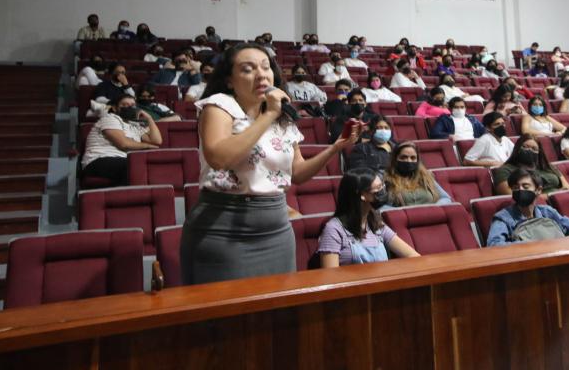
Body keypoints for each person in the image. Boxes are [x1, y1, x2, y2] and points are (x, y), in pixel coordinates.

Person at [180, 43, 360, 285]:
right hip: (224, 228)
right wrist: (268, 115)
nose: (261, 73)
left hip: (276, 228)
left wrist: (336, 147)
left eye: (266, 67)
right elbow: (219, 158)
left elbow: (297, 173)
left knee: (277, 315)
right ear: (230, 80)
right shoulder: (220, 105)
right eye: (248, 69)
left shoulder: (282, 119)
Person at [318, 170, 420, 267]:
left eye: (382, 186)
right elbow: (330, 277)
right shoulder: (333, 230)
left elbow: (412, 256)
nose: (383, 191)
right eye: (378, 188)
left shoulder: (376, 224)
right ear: (362, 195)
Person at [485, 168, 569, 246]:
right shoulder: (503, 217)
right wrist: (537, 243)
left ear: (538, 190)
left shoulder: (548, 212)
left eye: (525, 186)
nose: (520, 190)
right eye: (516, 187)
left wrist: (563, 241)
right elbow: (494, 245)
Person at [80, 94, 162, 186]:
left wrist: (149, 118)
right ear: (115, 108)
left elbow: (157, 141)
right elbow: (123, 144)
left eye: (132, 105)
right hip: (98, 160)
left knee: (143, 166)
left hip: (122, 160)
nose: (129, 108)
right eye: (125, 105)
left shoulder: (134, 125)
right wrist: (147, 146)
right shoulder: (110, 118)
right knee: (133, 166)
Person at [491, 136, 569, 195]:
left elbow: (568, 188)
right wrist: (550, 196)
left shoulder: (547, 166)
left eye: (534, 149)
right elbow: (511, 196)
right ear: (517, 149)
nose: (529, 150)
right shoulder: (505, 170)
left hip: (562, 201)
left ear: (539, 152)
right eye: (525, 147)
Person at [383, 142, 452, 207]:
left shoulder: (426, 177)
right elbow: (382, 207)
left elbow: (446, 198)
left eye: (413, 158)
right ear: (395, 159)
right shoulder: (386, 179)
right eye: (403, 157)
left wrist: (433, 208)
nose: (408, 161)